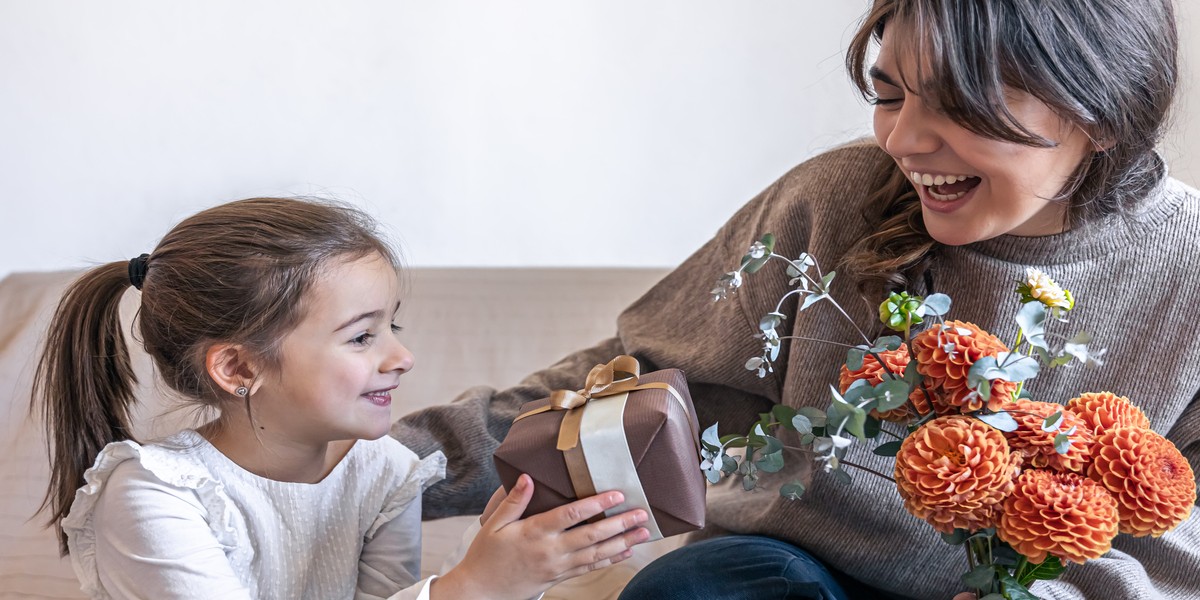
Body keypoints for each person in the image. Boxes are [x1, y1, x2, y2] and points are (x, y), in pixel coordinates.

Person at [390, 0, 1199, 598]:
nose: (906, 141)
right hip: (793, 575)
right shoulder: (836, 201)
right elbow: (637, 382)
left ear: (1100, 110)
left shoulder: (1187, 270)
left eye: (960, 105)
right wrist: (362, 469)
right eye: (889, 96)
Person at [35, 197, 651, 600]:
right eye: (361, 336)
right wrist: (472, 587)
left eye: (393, 327)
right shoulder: (154, 494)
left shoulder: (382, 473)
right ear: (238, 366)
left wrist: (509, 567)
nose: (400, 358)